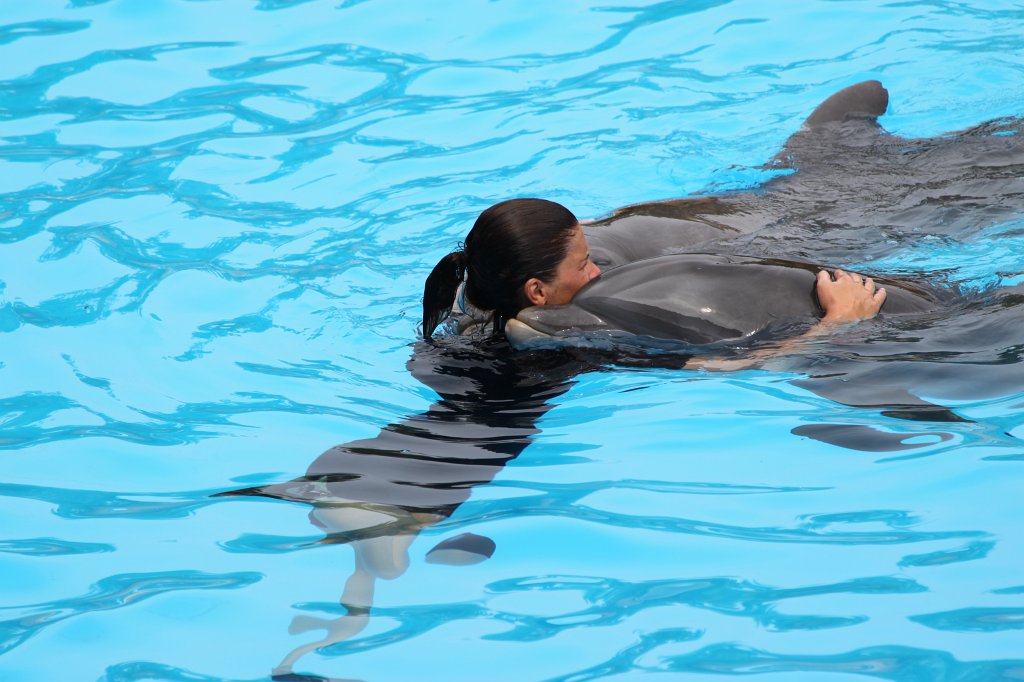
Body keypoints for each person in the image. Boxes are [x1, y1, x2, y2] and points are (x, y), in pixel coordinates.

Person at [421, 198, 885, 349]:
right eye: (584, 264)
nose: (597, 271)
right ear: (537, 291)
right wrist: (838, 327)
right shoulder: (564, 337)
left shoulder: (477, 285)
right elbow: (727, 366)